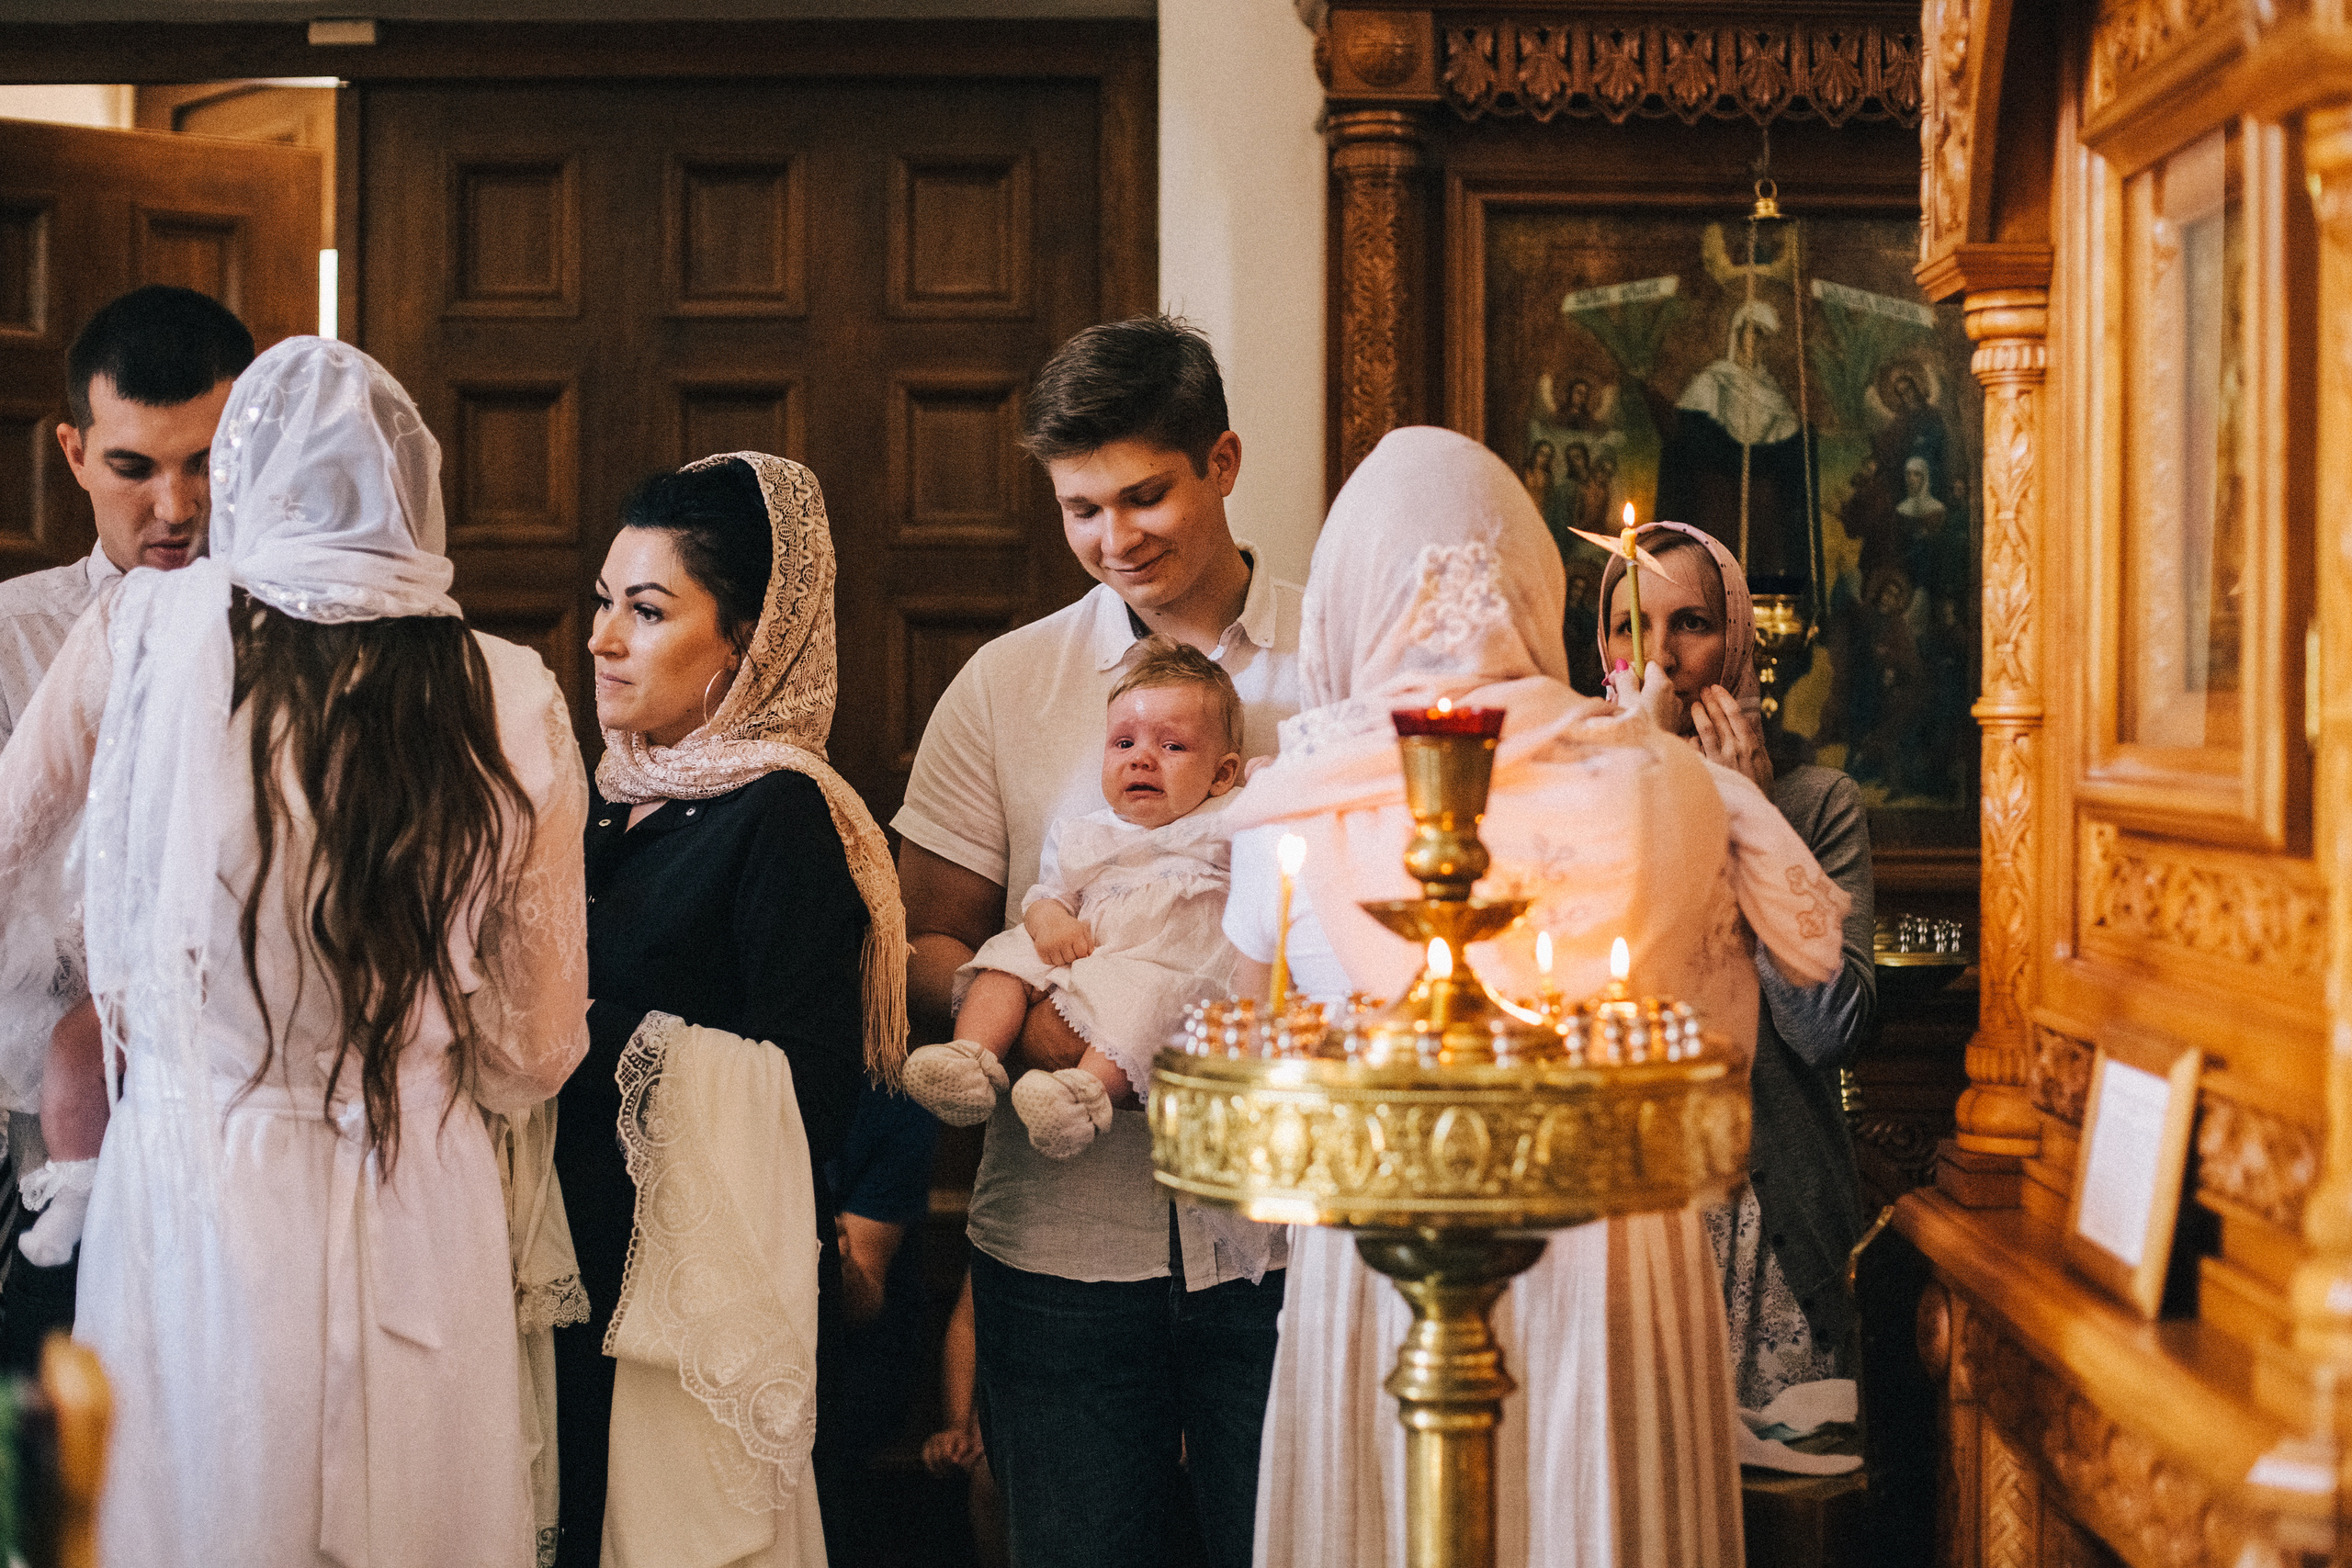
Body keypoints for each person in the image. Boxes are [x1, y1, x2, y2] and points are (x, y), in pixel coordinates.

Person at [0, 335, 591, 1565]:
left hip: (194, 1178)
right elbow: (533, 1049)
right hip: (414, 1175)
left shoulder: (143, 636)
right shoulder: (514, 689)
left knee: (195, 1507)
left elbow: (7, 850)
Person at [1224, 425, 1846, 1567]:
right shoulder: (1663, 781)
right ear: (1533, 584)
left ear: (1348, 596)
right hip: (1610, 1235)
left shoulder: (1295, 801)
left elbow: (1261, 958)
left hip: (1387, 1231)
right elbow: (1735, 1006)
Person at [893, 315, 1298, 1568]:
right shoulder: (1008, 684)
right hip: (1063, 1244)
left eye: (1144, 495)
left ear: (1222, 462)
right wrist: (1067, 1034)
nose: (1114, 539)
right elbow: (927, 936)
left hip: (1280, 1237)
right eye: (1080, 508)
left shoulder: (1331, 662)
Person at [554, 451, 905, 1568]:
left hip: (699, 1300)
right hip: (585, 1262)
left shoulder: (784, 816)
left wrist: (583, 1029)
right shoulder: (610, 800)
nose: (604, 638)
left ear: (748, 645)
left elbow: (807, 1090)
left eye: (648, 611)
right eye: (605, 603)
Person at [0, 285, 253, 1359]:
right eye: (135, 467)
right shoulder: (10, 639)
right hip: (28, 1130)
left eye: (205, 462)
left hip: (242, 1136)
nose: (177, 505)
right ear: (72, 451)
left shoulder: (315, 650)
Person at [1598, 522, 1876, 1410]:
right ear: (1598, 648)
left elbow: (1830, 1029)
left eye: (1690, 623)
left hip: (1770, 1222)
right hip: (1617, 1220)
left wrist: (1749, 819)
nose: (1661, 655)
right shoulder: (1561, 802)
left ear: (1740, 639)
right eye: (1629, 626)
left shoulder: (1815, 802)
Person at [904, 637, 1244, 1159]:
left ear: (1222, 773)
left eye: (1172, 747)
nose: (1142, 760)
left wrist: (1270, 783)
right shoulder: (1085, 833)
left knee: (1147, 1004)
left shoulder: (1226, 821)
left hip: (1160, 961)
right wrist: (1049, 923)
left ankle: (1081, 1098)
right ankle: (970, 1057)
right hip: (1082, 948)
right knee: (1008, 959)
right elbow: (1047, 894)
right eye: (1123, 743)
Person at [819, 1079, 943, 1562]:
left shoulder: (894, 1101)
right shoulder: (714, 1067)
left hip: (852, 1355)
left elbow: (861, 1303)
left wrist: (837, 1259)